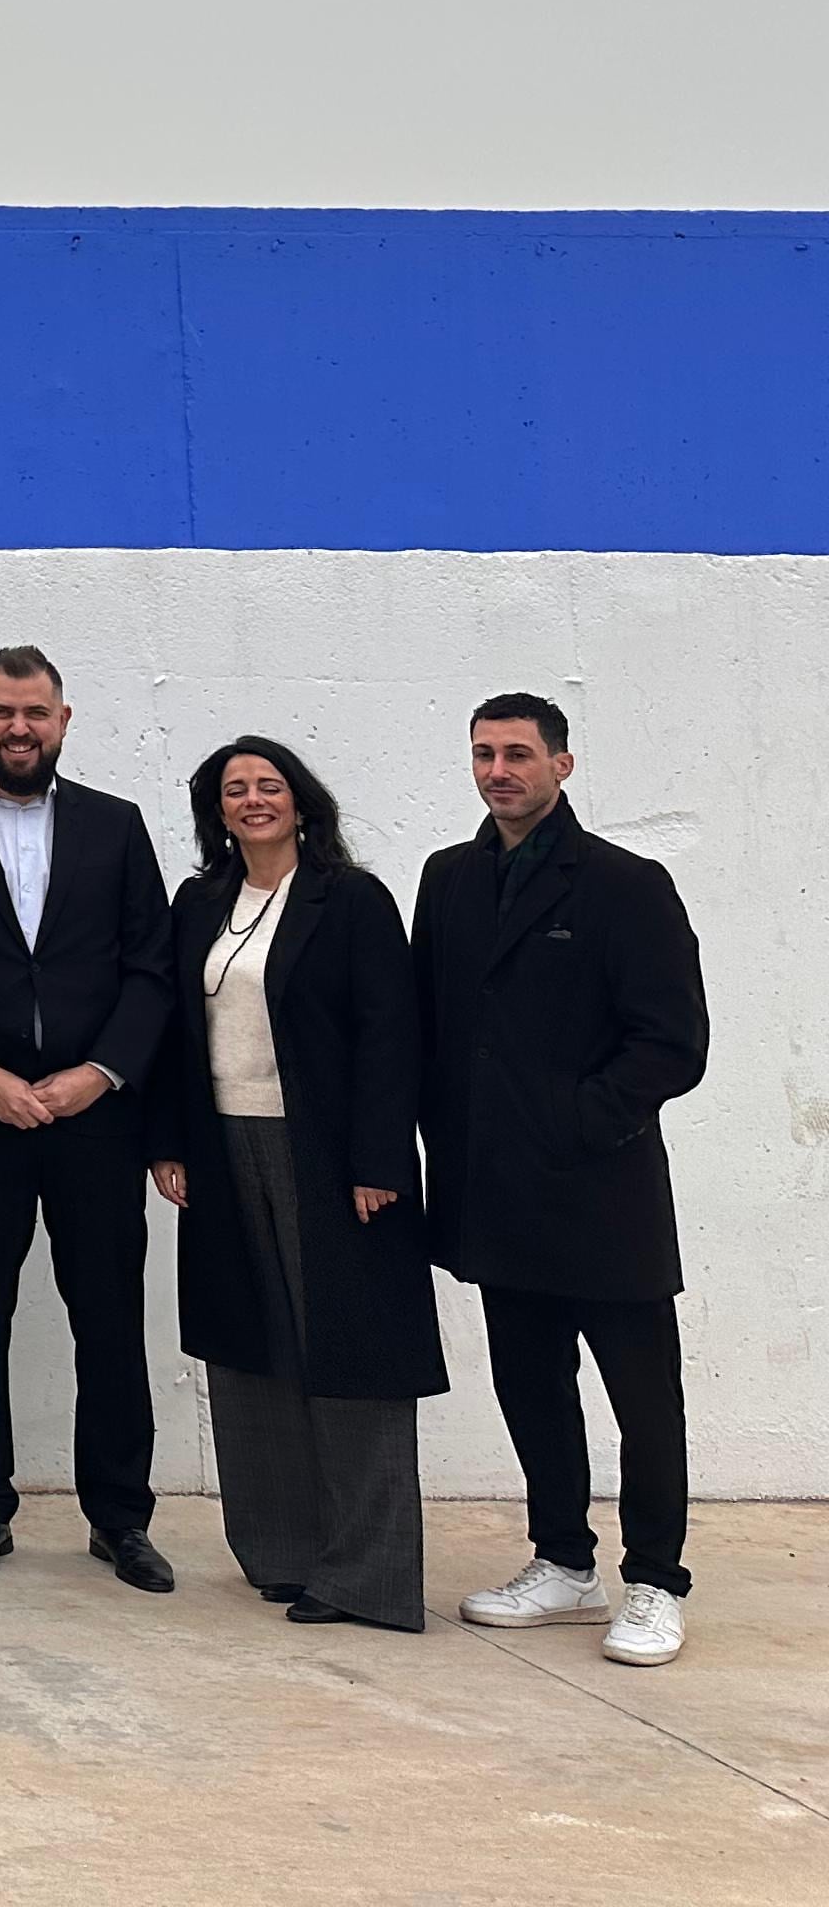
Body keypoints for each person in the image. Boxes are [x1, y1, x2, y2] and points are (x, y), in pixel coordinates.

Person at [419, 695, 711, 1666]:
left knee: (643, 1399)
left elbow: (672, 1043)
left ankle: (656, 1581)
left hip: (601, 1195)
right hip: (495, 1198)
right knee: (531, 1387)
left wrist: (578, 1123)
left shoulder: (626, 886)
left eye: (517, 754)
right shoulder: (450, 880)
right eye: (483, 755)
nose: (498, 771)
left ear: (563, 764)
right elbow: (434, 1028)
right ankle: (562, 1561)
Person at [144, 738, 442, 1631]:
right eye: (235, 790)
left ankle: (367, 1575)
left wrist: (379, 1163)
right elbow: (171, 1034)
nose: (252, 800)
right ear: (217, 810)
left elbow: (392, 1035)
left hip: (330, 1157)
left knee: (350, 1355)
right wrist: (169, 1144)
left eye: (269, 786)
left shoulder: (349, 900)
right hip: (224, 1149)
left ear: (302, 801)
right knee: (250, 1348)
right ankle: (280, 1554)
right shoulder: (198, 902)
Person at [0, 646, 178, 1593]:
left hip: (95, 1118)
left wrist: (98, 1074)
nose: (19, 729)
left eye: (36, 714)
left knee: (108, 1316)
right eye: (2, 713)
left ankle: (121, 1518)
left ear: (65, 720)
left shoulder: (116, 826)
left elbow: (151, 968)